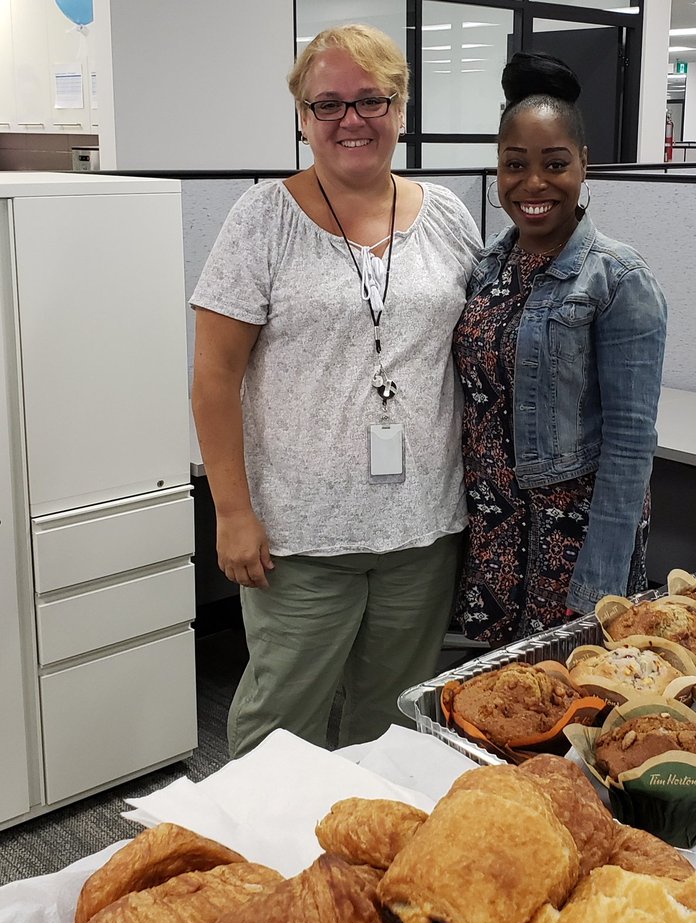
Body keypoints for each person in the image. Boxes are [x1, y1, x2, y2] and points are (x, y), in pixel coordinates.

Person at [190, 24, 481, 756]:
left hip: (421, 530)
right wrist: (233, 514)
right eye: (328, 104)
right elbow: (213, 377)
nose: (351, 120)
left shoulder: (447, 215)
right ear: (301, 117)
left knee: (391, 730)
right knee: (276, 729)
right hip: (299, 538)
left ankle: (360, 869)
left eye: (370, 100)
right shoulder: (261, 220)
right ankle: (253, 867)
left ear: (401, 108)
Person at [453, 52, 668, 645]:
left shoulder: (618, 279)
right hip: (494, 526)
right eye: (514, 165)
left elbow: (630, 445)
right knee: (502, 701)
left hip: (572, 537)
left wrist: (599, 579)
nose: (533, 183)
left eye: (554, 164)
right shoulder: (488, 267)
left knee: (571, 705)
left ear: (583, 165)